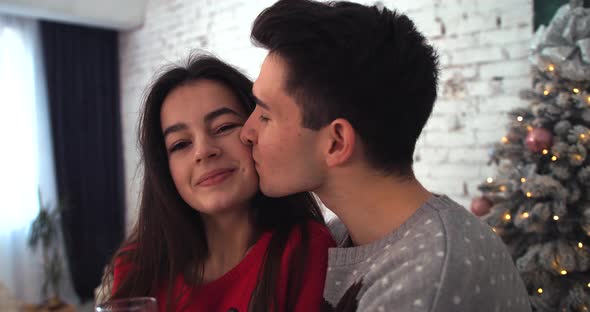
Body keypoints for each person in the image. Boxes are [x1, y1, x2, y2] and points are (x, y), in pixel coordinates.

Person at [240, 1, 532, 311]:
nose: (246, 132)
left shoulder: (430, 282)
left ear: (336, 143)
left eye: (265, 115)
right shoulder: (342, 235)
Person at [102, 55, 335, 312]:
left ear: (255, 132)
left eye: (223, 127)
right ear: (164, 170)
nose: (203, 151)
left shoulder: (304, 249)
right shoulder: (137, 264)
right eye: (180, 144)